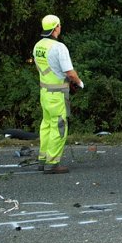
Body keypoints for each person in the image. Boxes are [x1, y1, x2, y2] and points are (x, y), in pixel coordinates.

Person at [33, 15, 83, 174]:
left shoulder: (38, 46)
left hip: (44, 93)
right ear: (55, 27)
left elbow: (40, 69)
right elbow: (70, 72)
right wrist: (79, 83)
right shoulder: (59, 47)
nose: (60, 27)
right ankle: (52, 163)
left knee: (46, 125)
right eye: (59, 25)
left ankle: (42, 159)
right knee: (59, 127)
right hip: (57, 95)